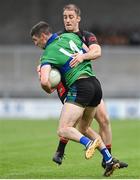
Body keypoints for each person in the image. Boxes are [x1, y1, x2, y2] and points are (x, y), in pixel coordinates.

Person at [30, 21, 125, 177]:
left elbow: (45, 81)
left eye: (35, 40)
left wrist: (48, 88)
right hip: (95, 85)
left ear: (43, 36)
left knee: (63, 129)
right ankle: (109, 160)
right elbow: (87, 53)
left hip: (80, 86)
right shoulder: (70, 37)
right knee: (83, 128)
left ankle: (88, 144)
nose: (35, 44)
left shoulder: (48, 52)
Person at [52, 3, 128, 169]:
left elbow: (97, 51)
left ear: (78, 18)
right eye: (65, 17)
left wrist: (83, 56)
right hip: (70, 85)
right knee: (76, 123)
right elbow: (49, 59)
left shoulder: (86, 36)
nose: (68, 20)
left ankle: (107, 158)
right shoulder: (58, 37)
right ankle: (60, 150)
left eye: (71, 17)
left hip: (86, 82)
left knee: (104, 119)